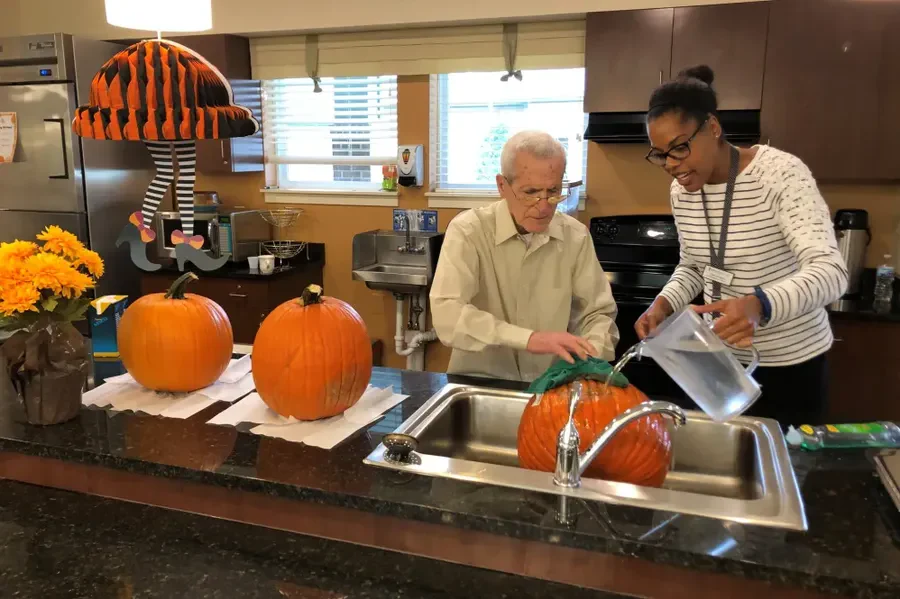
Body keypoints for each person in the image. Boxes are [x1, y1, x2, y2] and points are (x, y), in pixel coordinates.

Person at [634, 65, 848, 426]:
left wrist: (758, 305)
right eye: (660, 154)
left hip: (791, 368)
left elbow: (831, 272)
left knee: (785, 473)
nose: (671, 165)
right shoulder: (682, 191)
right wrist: (664, 303)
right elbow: (692, 266)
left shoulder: (780, 175)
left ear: (713, 128)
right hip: (720, 361)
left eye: (680, 148)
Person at [430, 130, 618, 381]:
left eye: (553, 191)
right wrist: (529, 339)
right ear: (502, 186)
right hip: (481, 382)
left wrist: (591, 355)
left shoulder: (576, 236)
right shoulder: (468, 231)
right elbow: (448, 316)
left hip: (554, 383)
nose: (543, 206)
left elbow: (597, 313)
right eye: (530, 192)